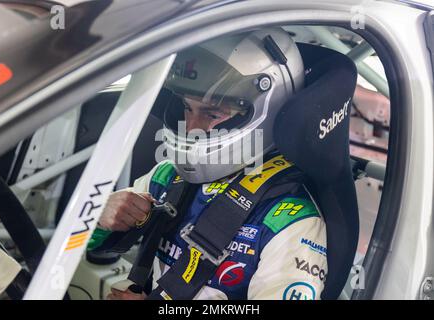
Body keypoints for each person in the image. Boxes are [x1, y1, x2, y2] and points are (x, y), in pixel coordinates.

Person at [89, 27, 328, 300]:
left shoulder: (291, 219)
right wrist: (99, 217)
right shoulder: (167, 176)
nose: (191, 129)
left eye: (212, 113)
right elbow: (92, 251)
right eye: (187, 108)